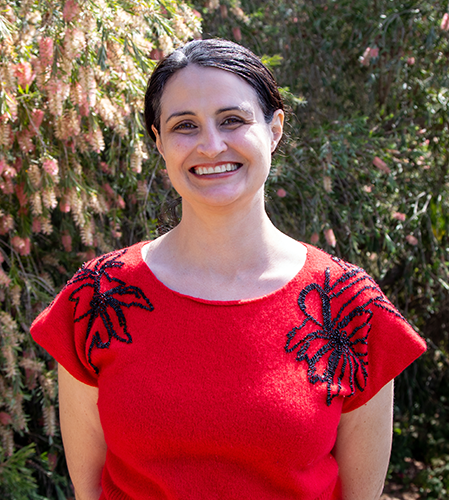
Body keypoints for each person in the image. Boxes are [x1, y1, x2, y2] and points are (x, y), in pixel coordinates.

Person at [31, 39, 427, 500]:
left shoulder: (349, 305)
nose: (211, 145)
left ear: (274, 129)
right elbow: (90, 490)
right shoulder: (96, 297)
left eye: (233, 120)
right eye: (184, 126)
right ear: (158, 142)